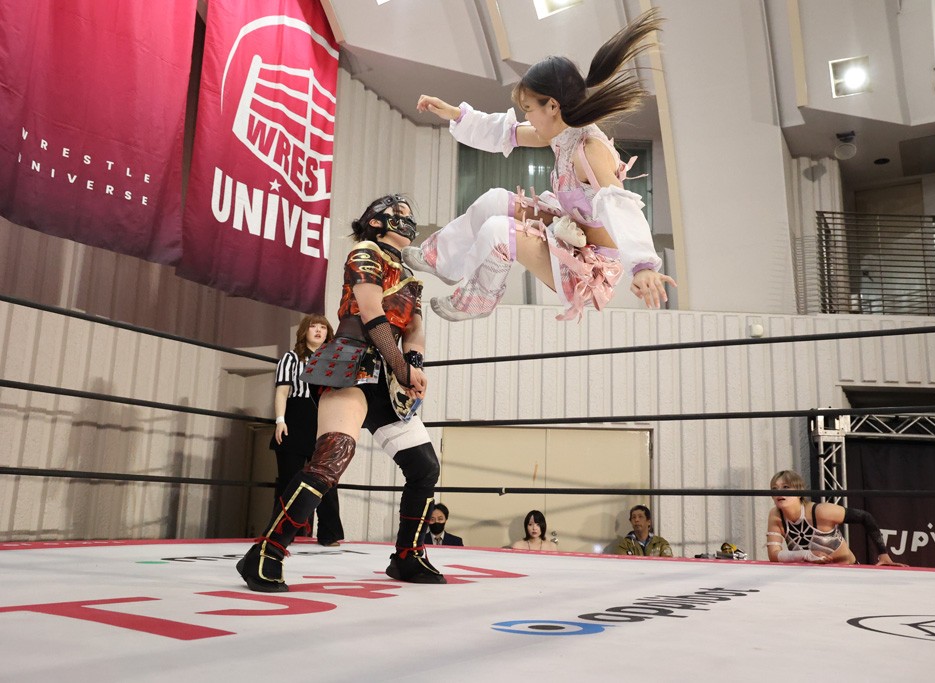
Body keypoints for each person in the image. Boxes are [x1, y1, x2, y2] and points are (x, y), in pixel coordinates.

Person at [406, 8, 676, 322]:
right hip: (569, 232)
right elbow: (507, 132)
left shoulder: (589, 150)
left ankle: (477, 301)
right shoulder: (561, 133)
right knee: (494, 200)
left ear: (552, 105)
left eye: (529, 108)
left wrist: (643, 266)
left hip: (587, 269)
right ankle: (442, 261)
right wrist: (454, 113)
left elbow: (620, 206)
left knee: (498, 230)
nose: (526, 117)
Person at [237, 193, 447, 591]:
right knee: (331, 459)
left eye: (408, 213)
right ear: (375, 222)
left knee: (425, 467)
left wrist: (413, 365)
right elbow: (370, 311)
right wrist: (403, 367)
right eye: (397, 213)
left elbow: (414, 328)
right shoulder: (365, 252)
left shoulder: (410, 275)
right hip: (352, 364)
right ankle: (266, 552)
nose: (406, 219)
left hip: (389, 379)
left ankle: (408, 555)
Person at [271, 314, 345, 547]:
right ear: (304, 331)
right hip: (295, 417)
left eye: (323, 327)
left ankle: (329, 533)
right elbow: (282, 391)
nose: (318, 330)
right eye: (313, 326)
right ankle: (281, 533)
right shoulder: (291, 358)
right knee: (289, 479)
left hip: (324, 419)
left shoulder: (333, 361)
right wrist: (280, 420)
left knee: (326, 478)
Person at [765, 469, 906, 566]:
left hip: (847, 571)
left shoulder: (821, 511)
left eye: (786, 487)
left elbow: (865, 517)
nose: (779, 492)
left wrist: (883, 554)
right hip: (811, 577)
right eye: (774, 489)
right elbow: (773, 555)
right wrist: (805, 554)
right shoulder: (775, 515)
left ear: (799, 491)